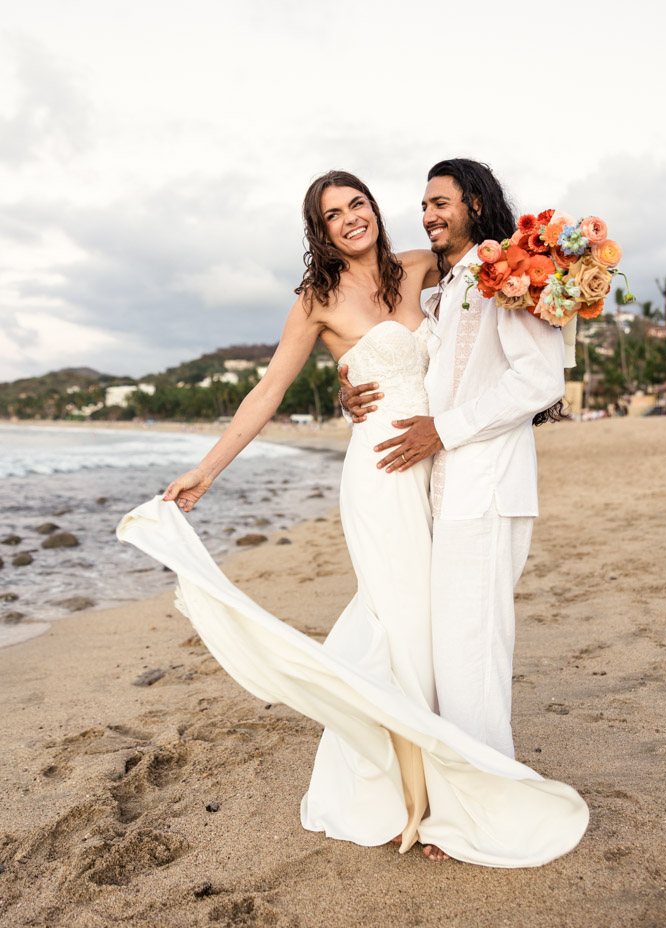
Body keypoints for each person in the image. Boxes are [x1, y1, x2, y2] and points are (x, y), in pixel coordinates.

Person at [120, 169, 588, 867]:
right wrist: (205, 471)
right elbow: (267, 391)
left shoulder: (423, 265)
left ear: (373, 208)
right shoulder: (316, 299)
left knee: (433, 635)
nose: (349, 219)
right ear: (320, 229)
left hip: (443, 468)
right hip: (381, 472)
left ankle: (444, 791)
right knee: (399, 625)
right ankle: (413, 805)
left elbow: (481, 312)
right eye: (332, 214)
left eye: (357, 204)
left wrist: (561, 266)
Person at [340, 159, 567, 779]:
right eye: (423, 206)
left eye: (440, 203)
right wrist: (353, 386)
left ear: (474, 202)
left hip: (488, 488)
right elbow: (423, 376)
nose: (429, 215)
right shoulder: (447, 291)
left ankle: (488, 800)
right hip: (447, 492)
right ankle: (468, 791)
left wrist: (444, 430)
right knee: (454, 649)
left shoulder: (507, 276)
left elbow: (542, 380)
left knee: (472, 651)